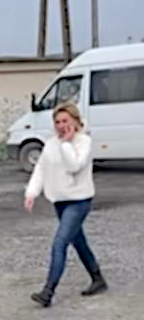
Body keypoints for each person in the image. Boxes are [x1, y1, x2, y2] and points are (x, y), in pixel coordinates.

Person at [24, 102, 107, 307]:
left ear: (75, 122)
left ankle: (48, 291)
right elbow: (41, 169)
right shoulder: (51, 143)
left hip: (78, 201)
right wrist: (32, 192)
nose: (61, 126)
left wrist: (67, 144)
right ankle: (98, 279)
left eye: (65, 121)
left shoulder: (83, 142)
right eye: (57, 122)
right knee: (78, 242)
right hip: (59, 201)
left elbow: (74, 166)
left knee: (60, 243)